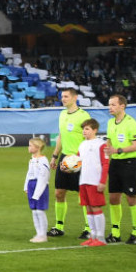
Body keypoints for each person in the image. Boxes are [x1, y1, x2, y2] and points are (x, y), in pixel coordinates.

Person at [47, 87, 91, 238]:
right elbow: (61, 136)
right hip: (64, 158)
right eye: (62, 96)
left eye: (66, 96)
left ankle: (88, 228)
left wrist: (84, 158)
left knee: (83, 195)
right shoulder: (62, 114)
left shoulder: (83, 116)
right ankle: (59, 226)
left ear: (75, 98)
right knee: (59, 192)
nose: (63, 99)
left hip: (80, 159)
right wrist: (54, 156)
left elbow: (89, 138)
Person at [103, 94, 136, 244]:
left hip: (129, 163)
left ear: (122, 106)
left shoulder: (131, 123)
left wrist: (118, 150)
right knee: (113, 198)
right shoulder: (110, 123)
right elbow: (109, 142)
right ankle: (115, 232)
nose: (110, 107)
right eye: (109, 104)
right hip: (115, 164)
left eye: (113, 104)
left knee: (132, 198)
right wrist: (108, 151)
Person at [77, 119, 109, 247]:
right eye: (83, 129)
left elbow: (105, 164)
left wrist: (102, 181)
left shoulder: (101, 144)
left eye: (87, 129)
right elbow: (78, 162)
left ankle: (101, 238)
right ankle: (93, 236)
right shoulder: (82, 145)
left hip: (94, 181)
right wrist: (67, 166)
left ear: (95, 130)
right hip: (83, 180)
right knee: (88, 208)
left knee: (96, 207)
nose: (84, 131)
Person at [24, 138, 51, 243]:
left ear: (37, 147)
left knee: (40, 211)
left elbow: (43, 177)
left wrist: (37, 192)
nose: (28, 147)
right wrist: (26, 186)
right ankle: (38, 233)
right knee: (34, 211)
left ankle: (43, 235)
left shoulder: (43, 160)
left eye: (30, 145)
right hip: (31, 185)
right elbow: (29, 173)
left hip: (40, 187)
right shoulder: (32, 159)